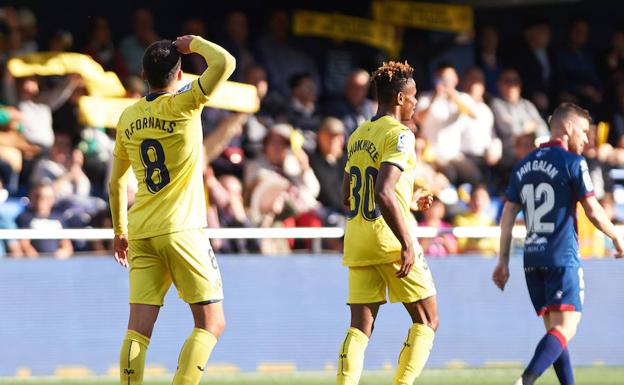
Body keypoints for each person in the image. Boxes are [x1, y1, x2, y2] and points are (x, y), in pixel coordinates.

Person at [108, 35, 235, 385]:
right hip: (182, 229)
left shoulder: (128, 117)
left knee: (138, 329)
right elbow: (225, 63)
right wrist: (193, 43)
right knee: (212, 323)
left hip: (141, 231)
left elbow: (116, 183)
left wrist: (120, 231)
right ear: (180, 76)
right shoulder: (185, 104)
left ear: (142, 74)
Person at [492, 103, 624, 385]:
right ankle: (524, 381)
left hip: (532, 259)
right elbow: (593, 210)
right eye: (585, 132)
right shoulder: (573, 163)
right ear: (568, 128)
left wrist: (502, 261)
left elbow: (506, 219)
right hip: (562, 256)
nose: (587, 139)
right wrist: (616, 235)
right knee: (566, 327)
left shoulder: (523, 165)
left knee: (555, 330)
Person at [337, 61, 437, 385]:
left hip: (358, 238)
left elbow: (349, 196)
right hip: (389, 239)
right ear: (399, 99)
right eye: (414, 96)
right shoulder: (401, 136)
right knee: (427, 320)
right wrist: (407, 241)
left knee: (360, 327)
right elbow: (382, 191)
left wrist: (406, 201)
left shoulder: (357, 134)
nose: (416, 103)